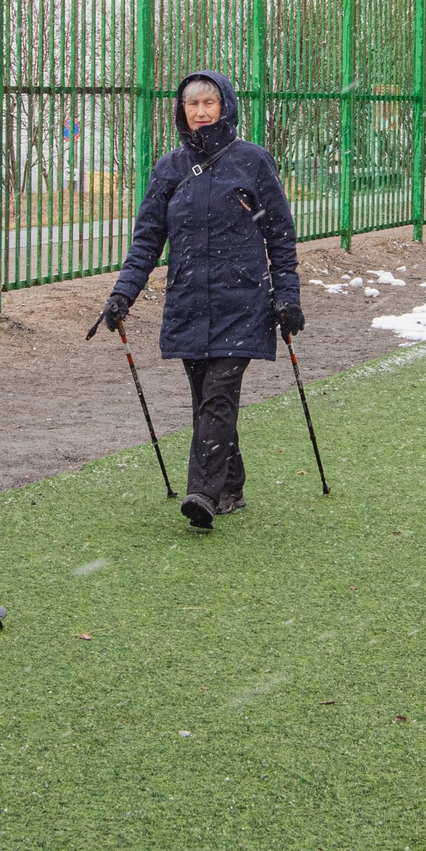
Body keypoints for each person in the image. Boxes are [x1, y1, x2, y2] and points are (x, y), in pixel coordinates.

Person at [101, 72, 302, 531]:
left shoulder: (253, 161)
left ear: (226, 105)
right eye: (192, 104)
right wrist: (122, 294)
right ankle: (230, 484)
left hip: (243, 300)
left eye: (209, 102)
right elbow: (146, 241)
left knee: (218, 393)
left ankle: (203, 494)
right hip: (189, 301)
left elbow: (281, 237)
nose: (201, 111)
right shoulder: (169, 169)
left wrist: (287, 297)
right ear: (182, 111)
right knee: (205, 399)